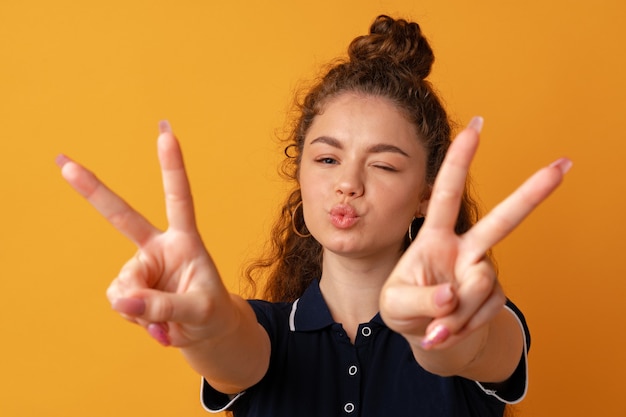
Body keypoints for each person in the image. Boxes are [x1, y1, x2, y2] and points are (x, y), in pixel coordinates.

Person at [57, 15, 570, 417]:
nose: (348, 182)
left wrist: (440, 332)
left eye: (385, 164)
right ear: (299, 173)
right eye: (327, 158)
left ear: (427, 197)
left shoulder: (477, 317)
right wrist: (208, 327)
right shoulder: (263, 333)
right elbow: (233, 348)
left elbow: (471, 350)